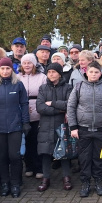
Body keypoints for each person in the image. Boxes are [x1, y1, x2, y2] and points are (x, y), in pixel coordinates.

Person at [67, 61, 102, 197]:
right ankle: (85, 182)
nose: (94, 74)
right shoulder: (79, 87)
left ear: (100, 73)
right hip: (83, 129)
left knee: (100, 157)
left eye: (96, 72)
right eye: (91, 72)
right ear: (86, 73)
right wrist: (73, 127)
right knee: (84, 158)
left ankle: (99, 181)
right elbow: (71, 107)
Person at [0, 58, 30, 198]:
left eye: (7, 68)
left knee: (14, 156)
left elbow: (24, 104)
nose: (5, 71)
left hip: (15, 127)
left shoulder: (18, 85)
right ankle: (5, 184)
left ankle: (15, 184)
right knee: (2, 157)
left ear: (12, 69)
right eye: (2, 68)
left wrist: (25, 122)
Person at [36, 63, 73, 191]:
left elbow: (69, 104)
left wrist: (52, 103)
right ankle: (46, 178)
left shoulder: (68, 87)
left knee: (63, 151)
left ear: (60, 73)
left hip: (61, 123)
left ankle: (66, 177)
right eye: (49, 72)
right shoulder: (42, 88)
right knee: (46, 151)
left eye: (54, 72)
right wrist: (59, 109)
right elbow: (40, 107)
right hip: (45, 124)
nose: (51, 74)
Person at [18, 53, 47, 179]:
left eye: (29, 62)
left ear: (34, 64)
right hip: (22, 112)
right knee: (27, 142)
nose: (27, 65)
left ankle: (39, 167)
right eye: (24, 63)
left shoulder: (42, 77)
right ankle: (28, 166)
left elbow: (46, 94)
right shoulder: (18, 77)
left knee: (37, 141)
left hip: (38, 112)